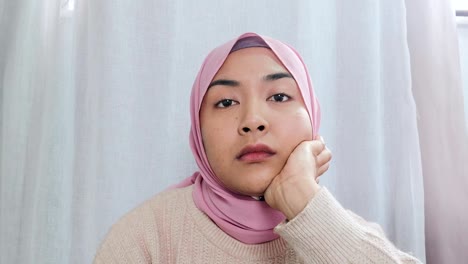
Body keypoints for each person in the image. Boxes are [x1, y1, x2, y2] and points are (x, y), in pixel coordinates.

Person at [94, 32, 422, 263]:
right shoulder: (144, 239)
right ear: (198, 132)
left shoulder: (348, 236)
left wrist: (303, 200)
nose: (252, 120)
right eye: (225, 102)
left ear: (312, 117)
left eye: (279, 97)